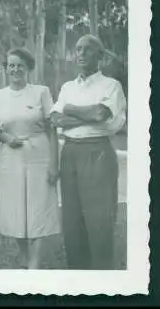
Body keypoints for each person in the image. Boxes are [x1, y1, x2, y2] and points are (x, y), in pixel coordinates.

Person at [50, 34, 126, 270]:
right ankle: (77, 282)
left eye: (88, 50)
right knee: (73, 223)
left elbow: (100, 115)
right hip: (70, 153)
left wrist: (70, 110)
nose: (81, 54)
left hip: (98, 153)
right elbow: (55, 118)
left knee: (99, 222)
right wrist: (81, 116)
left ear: (100, 56)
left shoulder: (111, 85)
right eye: (78, 49)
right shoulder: (67, 87)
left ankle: (103, 283)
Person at [0, 47, 60, 269]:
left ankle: (35, 263)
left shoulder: (41, 92)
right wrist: (5, 136)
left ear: (28, 68)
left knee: (40, 209)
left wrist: (54, 164)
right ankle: (25, 255)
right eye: (11, 65)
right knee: (15, 209)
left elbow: (52, 130)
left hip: (39, 154)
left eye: (20, 65)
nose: (15, 69)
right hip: (10, 159)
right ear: (6, 69)